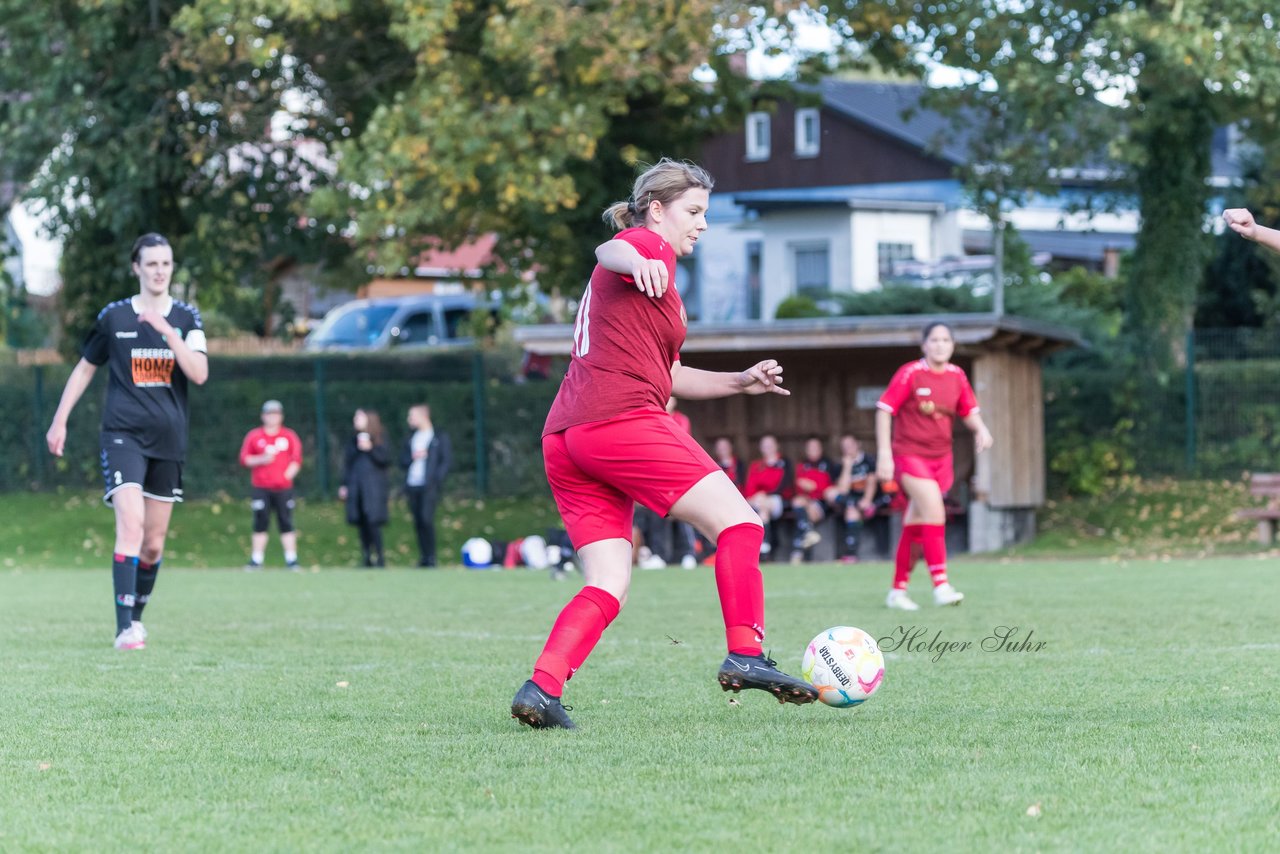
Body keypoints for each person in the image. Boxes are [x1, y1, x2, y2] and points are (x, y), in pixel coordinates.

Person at [510, 158, 817, 730]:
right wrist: (639, 254)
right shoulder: (646, 249)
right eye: (694, 212)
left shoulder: (657, 278)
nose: (702, 224)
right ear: (657, 209)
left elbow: (669, 373)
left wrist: (740, 380)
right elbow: (611, 253)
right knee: (742, 525)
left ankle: (541, 689)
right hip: (616, 421)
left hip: (567, 436)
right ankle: (746, 654)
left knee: (609, 580)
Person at [45, 233, 209, 650]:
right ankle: (123, 630)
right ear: (136, 268)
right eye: (151, 263)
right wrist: (59, 420)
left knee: (153, 546)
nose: (159, 271)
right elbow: (84, 369)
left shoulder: (188, 319)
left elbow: (200, 373)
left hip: (169, 440)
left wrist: (167, 331)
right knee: (130, 524)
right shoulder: (115, 318)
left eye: (166, 264)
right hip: (122, 435)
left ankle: (135, 619)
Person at [876, 321, 993, 610]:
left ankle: (897, 591)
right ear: (924, 344)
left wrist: (981, 429)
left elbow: (969, 410)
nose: (940, 344)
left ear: (952, 345)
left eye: (945, 340)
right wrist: (884, 454)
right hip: (909, 455)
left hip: (942, 459)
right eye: (935, 339)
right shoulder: (910, 374)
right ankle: (941, 585)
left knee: (916, 525)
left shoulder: (957, 376)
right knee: (934, 510)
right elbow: (884, 409)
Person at [239, 399, 303, 570]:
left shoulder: (289, 436)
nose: (272, 418)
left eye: (276, 414)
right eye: (269, 414)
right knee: (260, 522)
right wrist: (262, 459)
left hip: (283, 489)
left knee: (286, 522)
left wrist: (286, 476)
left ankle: (291, 559)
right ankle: (256, 559)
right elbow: (244, 459)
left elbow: (296, 460)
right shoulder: (255, 436)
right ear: (263, 416)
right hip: (261, 487)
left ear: (281, 416)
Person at [400, 403, 451, 567]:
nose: (409, 419)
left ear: (423, 416)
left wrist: (436, 479)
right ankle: (423, 557)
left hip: (429, 486)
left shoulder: (438, 436)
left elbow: (446, 460)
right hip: (413, 485)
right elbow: (403, 461)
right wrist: (413, 457)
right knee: (418, 522)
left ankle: (431, 557)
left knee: (426, 519)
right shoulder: (411, 438)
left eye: (412, 416)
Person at [339, 409, 390, 567]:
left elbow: (385, 459)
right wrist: (344, 484)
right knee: (361, 522)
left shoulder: (380, 439)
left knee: (373, 521)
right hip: (356, 487)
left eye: (358, 417)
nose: (355, 419)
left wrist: (371, 448)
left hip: (373, 487)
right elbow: (348, 464)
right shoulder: (353, 440)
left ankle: (380, 557)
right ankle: (366, 556)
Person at [743, 434, 793, 558]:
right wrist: (756, 497)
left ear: (777, 446)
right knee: (762, 509)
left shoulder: (784, 463)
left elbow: (784, 486)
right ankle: (764, 547)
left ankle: (764, 545)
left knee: (763, 506)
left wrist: (765, 494)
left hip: (778, 500)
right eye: (765, 445)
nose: (768, 448)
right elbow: (750, 487)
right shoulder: (755, 465)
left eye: (770, 445)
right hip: (758, 501)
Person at [831, 434, 878, 563]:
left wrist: (867, 500)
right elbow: (842, 490)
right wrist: (847, 466)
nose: (848, 449)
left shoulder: (868, 460)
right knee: (833, 495)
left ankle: (851, 554)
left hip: (867, 500)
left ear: (858, 444)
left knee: (852, 512)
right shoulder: (841, 465)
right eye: (844, 447)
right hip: (849, 501)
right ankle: (851, 555)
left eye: (850, 445)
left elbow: (872, 481)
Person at [789, 436, 835, 564]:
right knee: (798, 503)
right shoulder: (802, 466)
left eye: (816, 447)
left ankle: (797, 551)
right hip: (807, 501)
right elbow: (798, 488)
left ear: (821, 449)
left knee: (805, 513)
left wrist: (814, 486)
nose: (813, 450)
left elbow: (829, 490)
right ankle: (808, 533)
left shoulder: (828, 464)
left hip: (822, 504)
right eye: (810, 447)